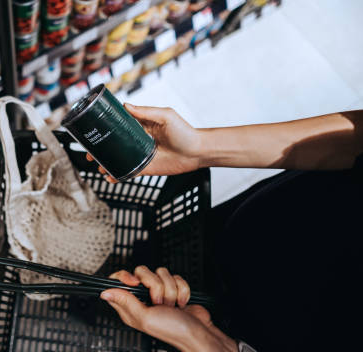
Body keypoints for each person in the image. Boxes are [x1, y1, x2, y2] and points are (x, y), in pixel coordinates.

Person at [89, 104, 363, 351]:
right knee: (140, 272)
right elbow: (356, 139)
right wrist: (199, 148)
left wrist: (208, 343)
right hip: (234, 232)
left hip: (244, 332)